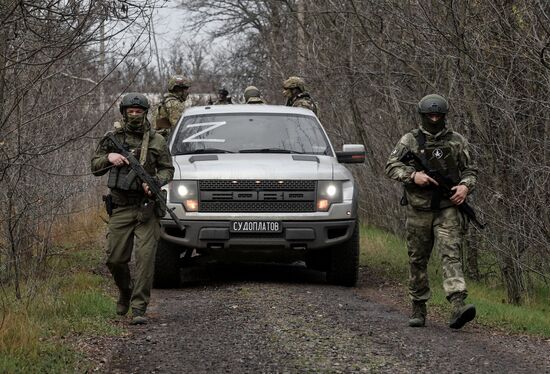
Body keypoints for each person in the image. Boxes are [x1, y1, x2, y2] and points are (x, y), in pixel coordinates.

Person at [385, 94, 477, 329]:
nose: (434, 119)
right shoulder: (410, 141)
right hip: (419, 210)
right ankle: (418, 306)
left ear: (444, 116)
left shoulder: (457, 141)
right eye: (430, 116)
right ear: (423, 116)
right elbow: (391, 165)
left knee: (451, 254)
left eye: (438, 115)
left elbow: (470, 170)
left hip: (447, 209)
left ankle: (458, 304)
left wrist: (465, 187)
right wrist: (412, 175)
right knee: (417, 259)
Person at [91, 93, 174, 325]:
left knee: (146, 260)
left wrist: (155, 181)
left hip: (147, 208)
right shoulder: (113, 138)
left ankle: (139, 308)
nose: (135, 115)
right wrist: (110, 156)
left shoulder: (157, 140)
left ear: (145, 113)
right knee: (115, 259)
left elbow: (168, 169)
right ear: (124, 112)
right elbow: (94, 166)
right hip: (120, 206)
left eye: (139, 111)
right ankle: (125, 292)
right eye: (131, 111)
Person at [154, 75, 192, 139]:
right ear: (178, 90)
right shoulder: (174, 104)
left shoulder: (167, 100)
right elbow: (178, 126)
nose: (187, 92)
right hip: (166, 138)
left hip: (161, 136)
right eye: (185, 89)